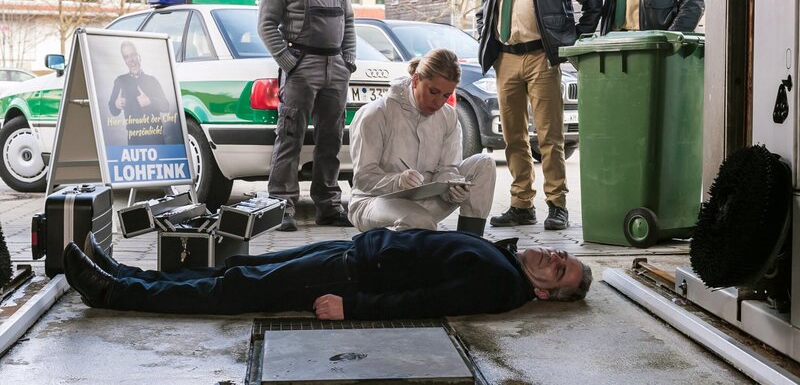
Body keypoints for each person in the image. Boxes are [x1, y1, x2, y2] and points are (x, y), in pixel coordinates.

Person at [65, 230, 593, 319]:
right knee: (240, 268)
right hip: (351, 252)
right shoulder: (505, 258)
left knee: (234, 291)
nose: (554, 256)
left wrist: (354, 309)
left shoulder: (500, 286)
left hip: (351, 280)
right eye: (562, 255)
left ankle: (112, 292)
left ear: (546, 295)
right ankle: (128, 272)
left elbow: (426, 303)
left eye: (560, 270)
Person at [476, 0, 602, 230]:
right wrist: (484, 35)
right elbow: (483, 13)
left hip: (542, 58)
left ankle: (557, 205)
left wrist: (575, 39)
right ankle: (521, 205)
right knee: (513, 137)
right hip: (505, 59)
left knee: (550, 136)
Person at [258, 0, 356, 231]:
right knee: (290, 137)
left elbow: (350, 23)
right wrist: (289, 62)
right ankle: (281, 207)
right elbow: (266, 24)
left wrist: (348, 61)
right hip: (301, 68)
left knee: (331, 139)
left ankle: (328, 206)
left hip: (335, 70)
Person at [348, 48, 495, 236]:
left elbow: (447, 168)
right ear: (416, 80)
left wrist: (453, 187)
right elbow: (362, 179)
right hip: (373, 202)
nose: (439, 102)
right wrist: (397, 181)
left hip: (424, 199)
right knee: (419, 220)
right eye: (433, 91)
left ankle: (471, 247)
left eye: (445, 95)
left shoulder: (448, 116)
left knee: (485, 164)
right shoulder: (376, 114)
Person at [107, 41, 169, 145]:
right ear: (124, 61)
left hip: (155, 138)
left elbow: (166, 106)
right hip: (134, 141)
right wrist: (116, 105)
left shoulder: (152, 80)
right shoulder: (120, 81)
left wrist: (150, 101)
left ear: (138, 56)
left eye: (133, 55)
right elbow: (113, 110)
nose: (131, 59)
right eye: (126, 57)